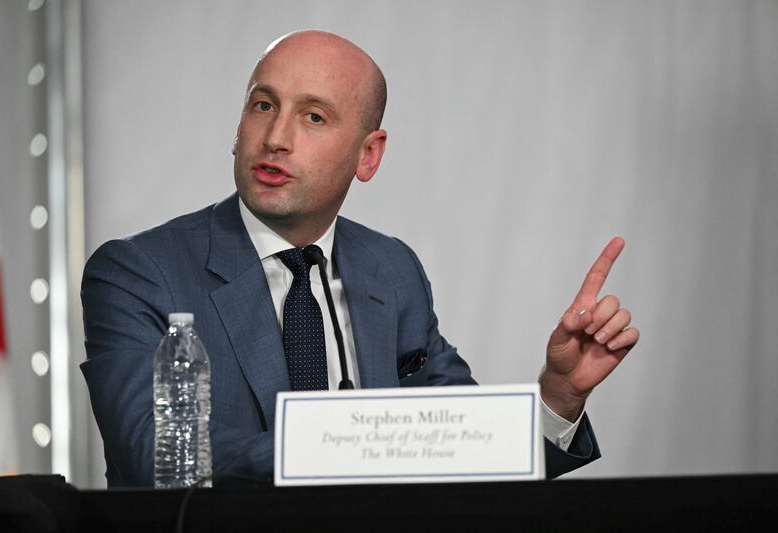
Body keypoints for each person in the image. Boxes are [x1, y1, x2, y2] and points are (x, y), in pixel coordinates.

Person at [81, 30, 639, 487]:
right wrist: (355, 442)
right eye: (263, 105)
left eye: (314, 117)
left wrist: (559, 394)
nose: (275, 137)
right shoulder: (137, 273)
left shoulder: (391, 270)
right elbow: (153, 455)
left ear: (368, 155)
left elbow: (466, 445)